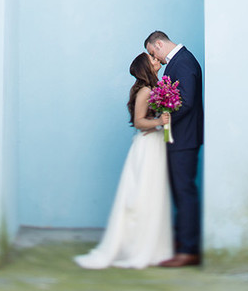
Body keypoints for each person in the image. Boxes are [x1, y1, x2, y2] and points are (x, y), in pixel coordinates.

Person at [74, 52, 173, 269]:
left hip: (155, 144)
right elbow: (138, 122)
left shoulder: (154, 89)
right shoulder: (145, 91)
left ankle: (154, 244)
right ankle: (138, 246)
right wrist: (159, 121)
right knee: (142, 195)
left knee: (154, 194)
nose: (157, 61)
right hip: (146, 146)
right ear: (146, 68)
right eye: (153, 60)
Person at [145, 30, 203, 268]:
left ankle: (188, 249)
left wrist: (165, 116)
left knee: (184, 191)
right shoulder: (180, 61)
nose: (155, 59)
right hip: (181, 138)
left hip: (185, 138)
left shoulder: (183, 62)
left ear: (159, 44)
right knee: (180, 190)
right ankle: (182, 240)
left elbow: (186, 102)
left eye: (153, 53)